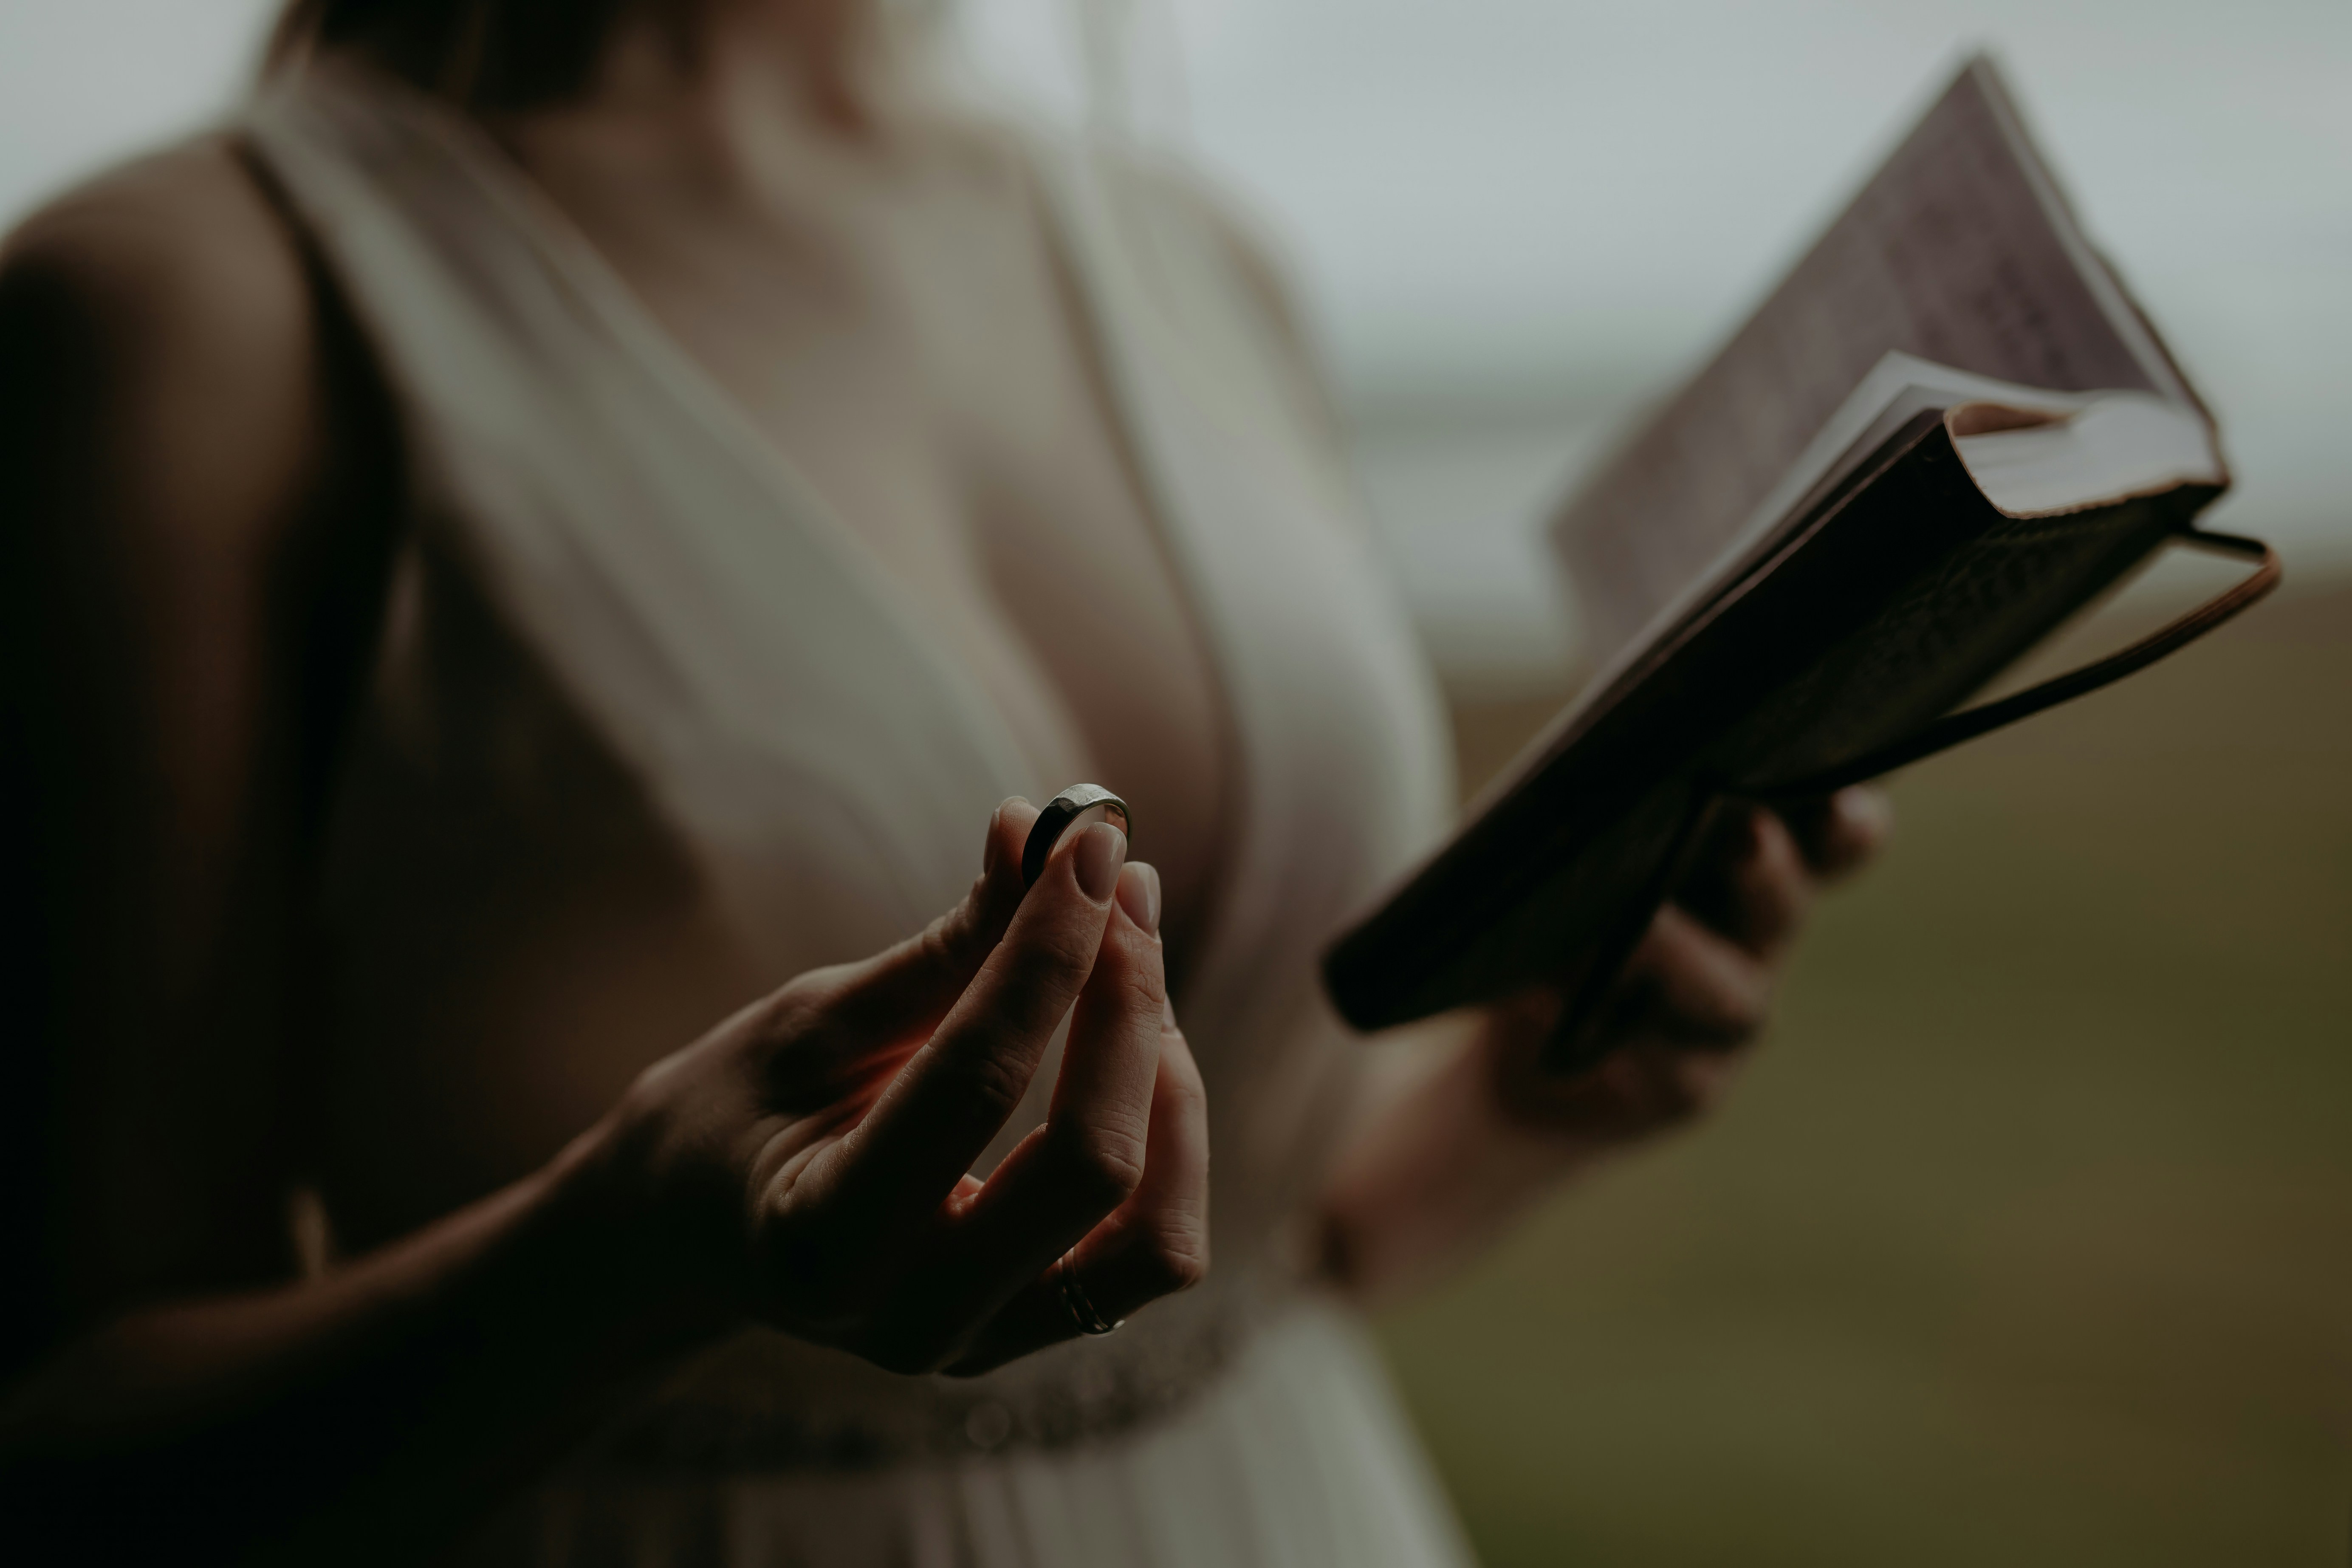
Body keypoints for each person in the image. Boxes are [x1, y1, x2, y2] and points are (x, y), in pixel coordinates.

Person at [0, 1, 1889, 1562]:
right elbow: (80, 1447)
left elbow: (1224, 1284)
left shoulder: (1191, 247)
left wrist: (1504, 1102)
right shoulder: (185, 310)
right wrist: (628, 1252)